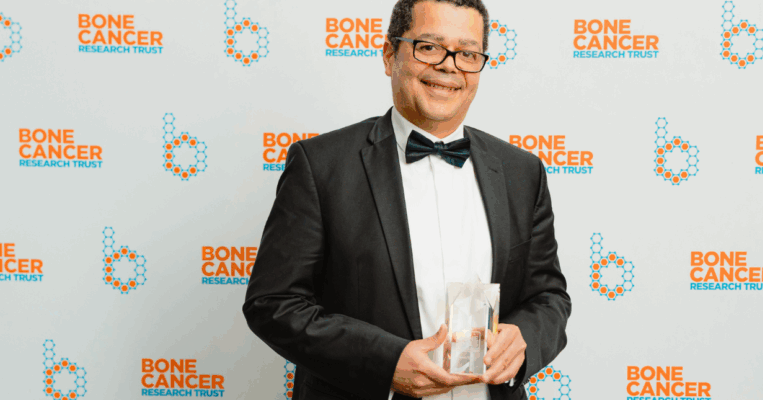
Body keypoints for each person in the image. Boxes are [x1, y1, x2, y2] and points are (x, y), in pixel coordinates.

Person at [242, 0, 571, 398]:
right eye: (429, 47)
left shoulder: (522, 172)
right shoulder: (321, 166)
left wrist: (525, 338)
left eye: (467, 53)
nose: (449, 66)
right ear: (389, 55)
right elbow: (272, 303)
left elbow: (548, 297)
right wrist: (384, 362)